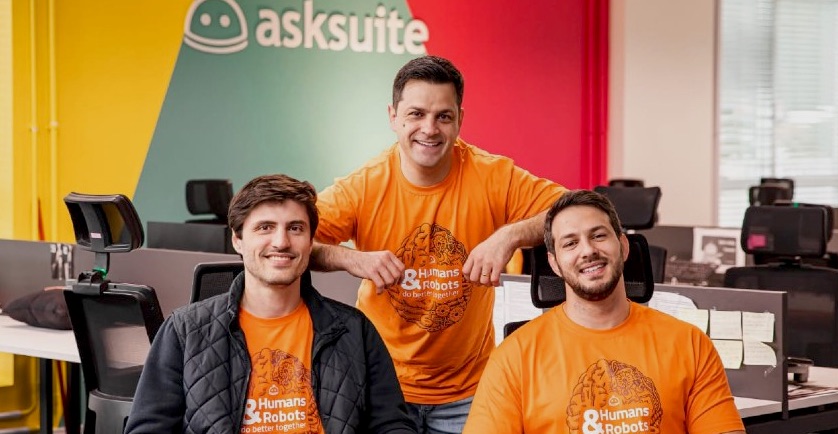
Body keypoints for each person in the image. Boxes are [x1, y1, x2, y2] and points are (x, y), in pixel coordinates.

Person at [312, 55, 566, 433]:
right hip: (382, 384)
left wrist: (509, 236)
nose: (429, 129)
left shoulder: (492, 175)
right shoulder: (364, 186)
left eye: (443, 116)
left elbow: (576, 211)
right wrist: (352, 259)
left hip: (469, 390)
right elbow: (299, 242)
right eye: (416, 114)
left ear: (459, 119)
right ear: (393, 116)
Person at [125, 174, 416, 434]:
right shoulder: (184, 332)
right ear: (237, 240)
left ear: (310, 241)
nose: (281, 242)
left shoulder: (355, 331)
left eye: (295, 228)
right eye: (265, 227)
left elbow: (391, 424)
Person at [462, 190, 746, 434]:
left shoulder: (689, 344)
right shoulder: (514, 357)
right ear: (555, 264)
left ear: (623, 247)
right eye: (570, 243)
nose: (588, 250)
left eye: (598, 236)